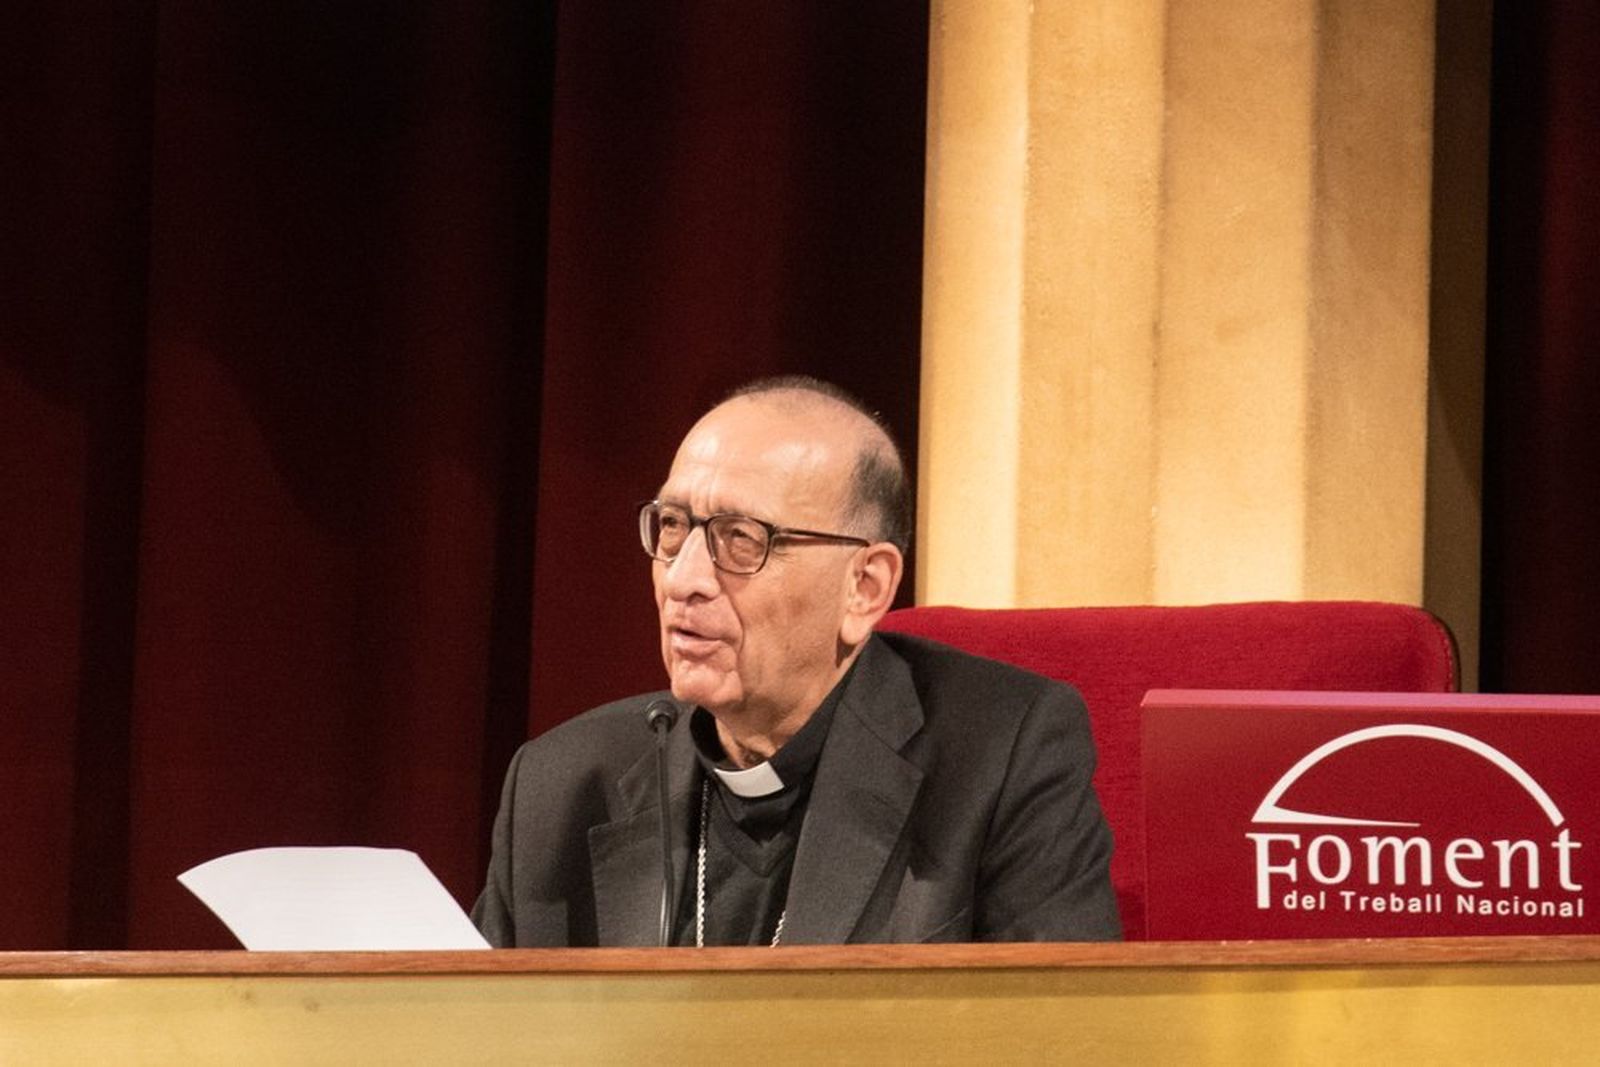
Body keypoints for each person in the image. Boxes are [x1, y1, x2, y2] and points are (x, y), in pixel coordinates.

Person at [473, 376, 1120, 945]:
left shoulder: (1002, 760)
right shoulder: (560, 786)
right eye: (673, 526)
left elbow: (1066, 1037)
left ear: (864, 586)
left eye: (742, 538)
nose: (683, 579)